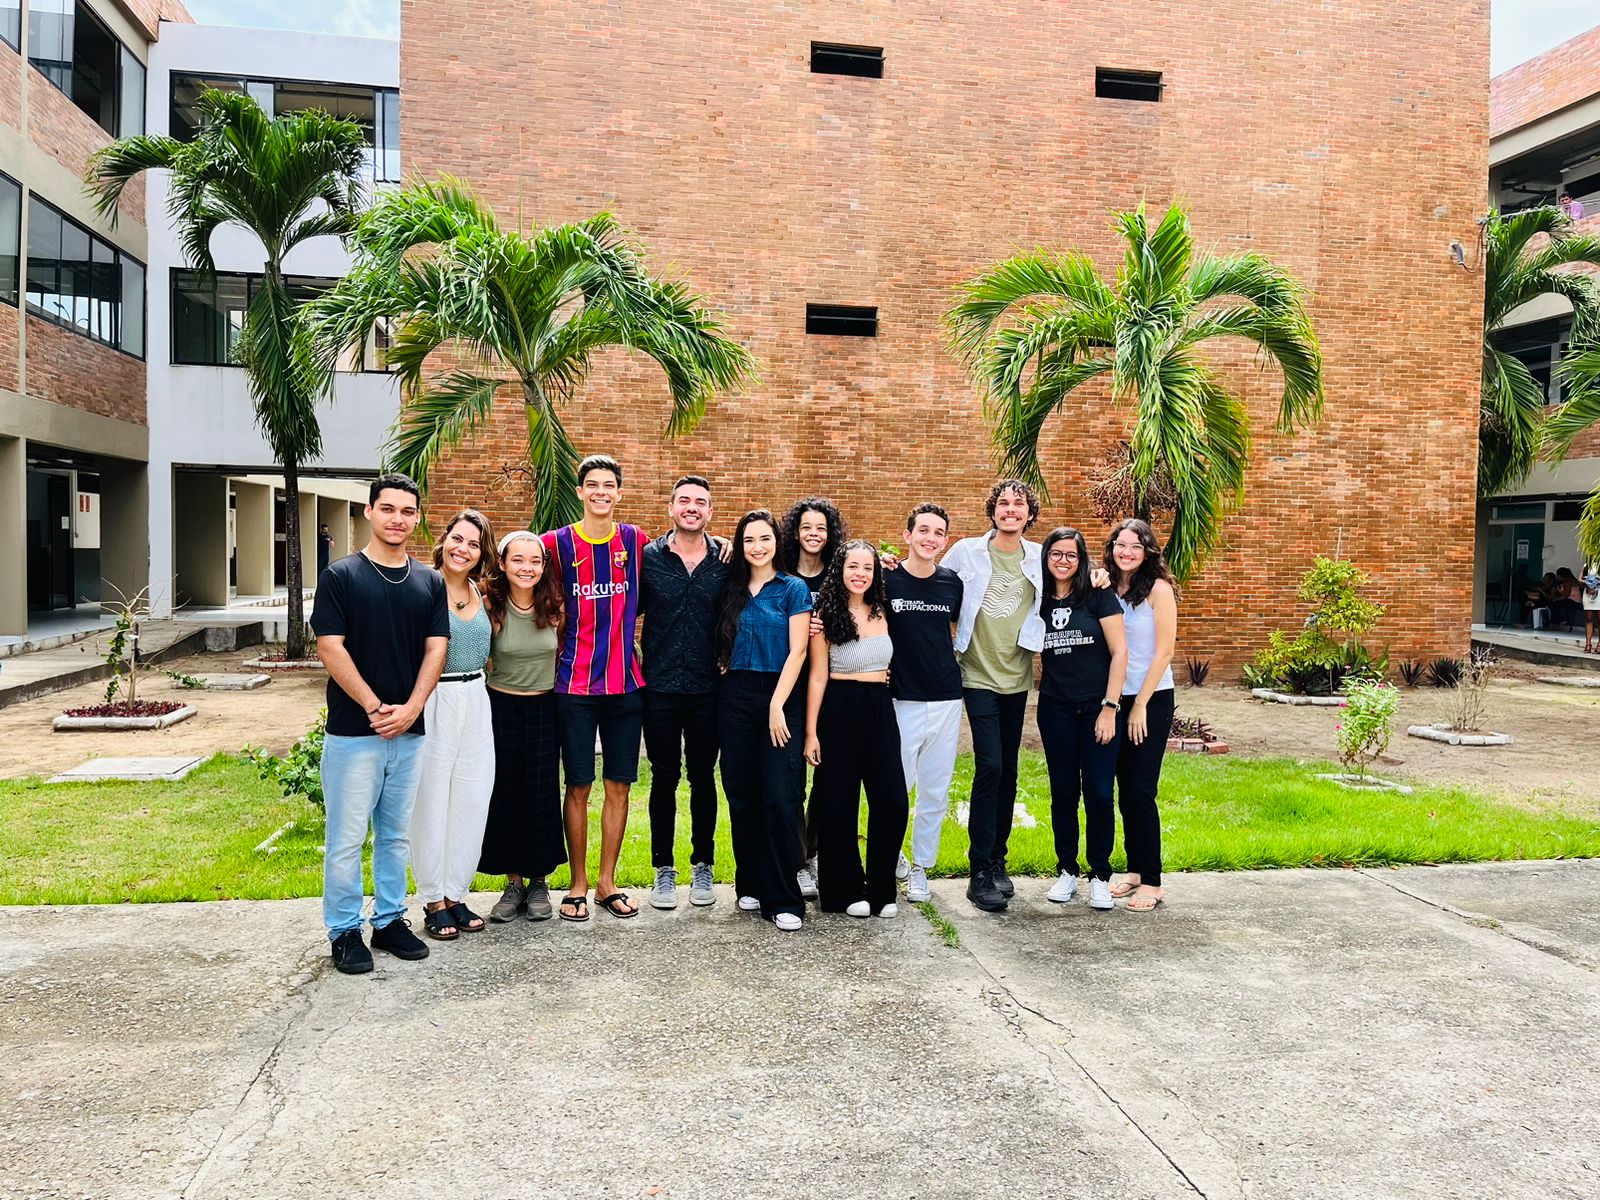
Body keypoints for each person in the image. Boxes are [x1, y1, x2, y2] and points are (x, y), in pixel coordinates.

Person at [311, 473, 448, 974]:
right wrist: (373, 707)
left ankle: (389, 921)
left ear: (417, 518)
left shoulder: (429, 581)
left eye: (407, 511)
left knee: (394, 837)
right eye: (388, 509)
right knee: (346, 840)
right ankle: (345, 931)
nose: (397, 519)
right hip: (354, 732)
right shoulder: (341, 576)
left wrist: (411, 708)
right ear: (369, 511)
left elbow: (437, 648)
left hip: (408, 732)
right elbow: (331, 647)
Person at [542, 454, 647, 921]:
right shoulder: (556, 544)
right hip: (574, 685)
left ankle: (607, 882)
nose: (601, 492)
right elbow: (515, 570)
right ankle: (578, 883)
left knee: (619, 785)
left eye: (609, 485)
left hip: (625, 685)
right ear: (580, 491)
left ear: (619, 493)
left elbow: (685, 550)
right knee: (578, 785)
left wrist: (720, 542)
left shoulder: (635, 541)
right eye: (593, 485)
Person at [942, 479, 1045, 912]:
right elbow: (931, 580)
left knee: (1009, 770)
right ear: (993, 510)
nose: (1010, 510)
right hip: (976, 673)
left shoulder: (1039, 556)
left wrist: (1096, 574)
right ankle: (979, 869)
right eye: (1003, 503)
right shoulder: (966, 552)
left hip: (1017, 676)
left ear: (1029, 514)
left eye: (1019, 504)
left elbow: (1072, 580)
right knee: (990, 766)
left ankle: (998, 859)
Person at [717, 509, 812, 932]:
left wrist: (776, 704)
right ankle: (751, 882)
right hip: (735, 696)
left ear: (777, 542)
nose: (757, 547)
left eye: (765, 538)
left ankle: (784, 898)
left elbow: (799, 651)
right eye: (749, 540)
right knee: (741, 793)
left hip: (780, 696)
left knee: (779, 795)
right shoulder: (730, 587)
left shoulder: (793, 588)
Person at [804, 540, 908, 918]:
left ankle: (882, 889)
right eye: (853, 566)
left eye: (867, 567)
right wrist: (811, 732)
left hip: (879, 708)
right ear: (840, 570)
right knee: (837, 805)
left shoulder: (883, 610)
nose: (860, 573)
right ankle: (844, 891)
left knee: (892, 801)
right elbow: (817, 677)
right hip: (838, 709)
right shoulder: (824, 616)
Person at [640, 475, 728, 910]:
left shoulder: (725, 560)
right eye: (684, 500)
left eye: (700, 502)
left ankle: (703, 865)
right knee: (663, 778)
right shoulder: (647, 558)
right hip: (658, 686)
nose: (692, 507)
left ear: (710, 512)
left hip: (708, 688)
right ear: (671, 507)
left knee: (703, 777)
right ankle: (663, 868)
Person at [410, 509, 497, 940]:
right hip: (436, 698)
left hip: (476, 697)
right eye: (458, 539)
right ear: (444, 540)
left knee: (471, 797)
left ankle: (456, 892)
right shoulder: (421, 588)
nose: (463, 549)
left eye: (474, 544)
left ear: (482, 554)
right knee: (431, 800)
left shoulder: (482, 593)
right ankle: (432, 898)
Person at [1035, 527, 1127, 913]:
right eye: (1056, 554)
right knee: (1063, 793)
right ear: (1046, 557)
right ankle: (1067, 870)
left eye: (1071, 555)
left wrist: (1109, 707)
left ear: (1081, 559)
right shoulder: (1038, 597)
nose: (1063, 561)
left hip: (1096, 709)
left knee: (1100, 793)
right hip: (1055, 708)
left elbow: (1120, 651)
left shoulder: (1097, 593)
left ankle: (1100, 875)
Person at [480, 530, 568, 924]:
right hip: (500, 708)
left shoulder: (556, 606)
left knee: (540, 794)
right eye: (517, 560)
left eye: (534, 561)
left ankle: (538, 881)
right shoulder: (489, 605)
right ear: (502, 563)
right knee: (505, 794)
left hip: (544, 708)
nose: (526, 568)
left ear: (544, 566)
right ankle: (512, 882)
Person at [883, 503, 964, 904]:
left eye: (938, 533)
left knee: (935, 789)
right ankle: (891, 853)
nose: (930, 538)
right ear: (908, 535)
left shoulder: (952, 583)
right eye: (924, 530)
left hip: (946, 697)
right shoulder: (886, 579)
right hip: (901, 697)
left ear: (945, 541)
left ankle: (920, 867)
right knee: (896, 787)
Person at [1105, 518, 1177, 913]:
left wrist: (1140, 705)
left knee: (1140, 789)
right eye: (1121, 544)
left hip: (1150, 699)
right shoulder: (1109, 587)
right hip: (1115, 697)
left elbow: (1164, 652)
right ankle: (1134, 870)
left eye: (1135, 546)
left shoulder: (1158, 590)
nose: (1127, 552)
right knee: (1123, 788)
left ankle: (1152, 880)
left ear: (1147, 551)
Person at [781, 496, 847, 899]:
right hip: (790, 685)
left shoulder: (840, 575)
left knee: (829, 776)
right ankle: (796, 860)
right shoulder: (781, 573)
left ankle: (816, 851)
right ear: (795, 531)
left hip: (832, 684)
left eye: (821, 527)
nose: (813, 534)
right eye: (806, 526)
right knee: (792, 778)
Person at [1583, 562, 1600, 654]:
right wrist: (1588, 585)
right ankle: (1588, 644)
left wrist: (1596, 584)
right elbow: (1580, 579)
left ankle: (1599, 645)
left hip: (1599, 592)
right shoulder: (1587, 565)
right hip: (1588, 593)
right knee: (1588, 618)